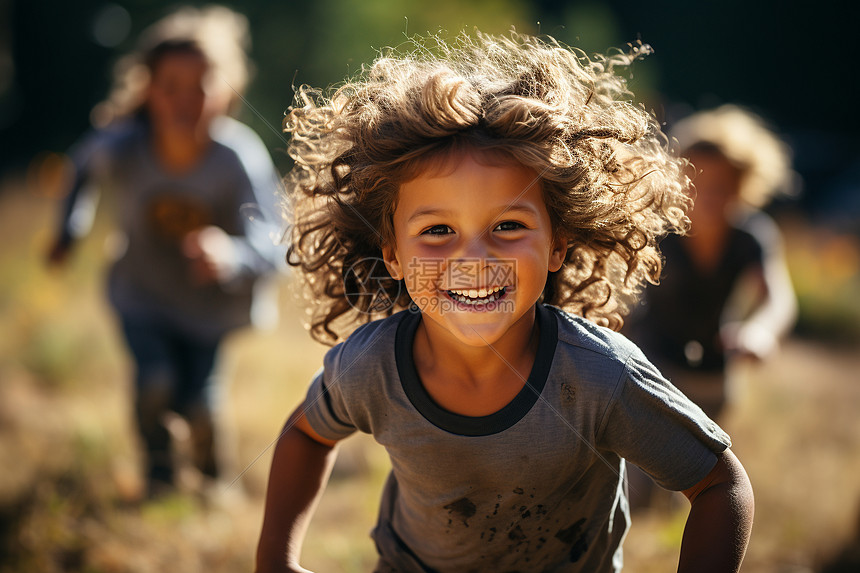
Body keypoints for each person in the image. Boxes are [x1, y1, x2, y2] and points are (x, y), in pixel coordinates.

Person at [256, 32, 754, 572]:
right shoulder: (371, 367)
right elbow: (306, 434)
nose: (474, 258)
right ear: (393, 254)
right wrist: (275, 563)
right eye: (438, 229)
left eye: (508, 225)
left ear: (557, 243)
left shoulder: (599, 377)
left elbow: (720, 484)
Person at [47, 6, 284, 498]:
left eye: (200, 86)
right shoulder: (125, 144)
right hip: (143, 297)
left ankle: (215, 485)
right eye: (170, 86)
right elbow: (82, 167)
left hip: (208, 309)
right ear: (148, 89)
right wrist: (70, 228)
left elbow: (275, 241)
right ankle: (159, 478)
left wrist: (232, 255)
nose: (184, 101)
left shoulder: (236, 158)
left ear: (225, 90)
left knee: (200, 404)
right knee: (153, 383)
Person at [625, 105, 797, 422]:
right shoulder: (660, 230)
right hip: (650, 367)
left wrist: (760, 331)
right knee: (643, 464)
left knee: (695, 466)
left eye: (720, 188)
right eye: (696, 185)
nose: (707, 198)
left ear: (743, 187)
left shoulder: (751, 236)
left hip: (714, 379)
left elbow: (778, 296)